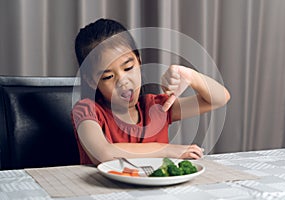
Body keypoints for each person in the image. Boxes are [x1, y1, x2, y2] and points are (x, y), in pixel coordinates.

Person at [72, 18, 230, 165]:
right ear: (92, 80)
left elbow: (220, 98)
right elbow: (102, 153)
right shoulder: (87, 110)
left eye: (128, 68)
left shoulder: (156, 107)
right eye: (108, 76)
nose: (123, 81)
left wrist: (190, 76)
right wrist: (167, 150)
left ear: (139, 61)